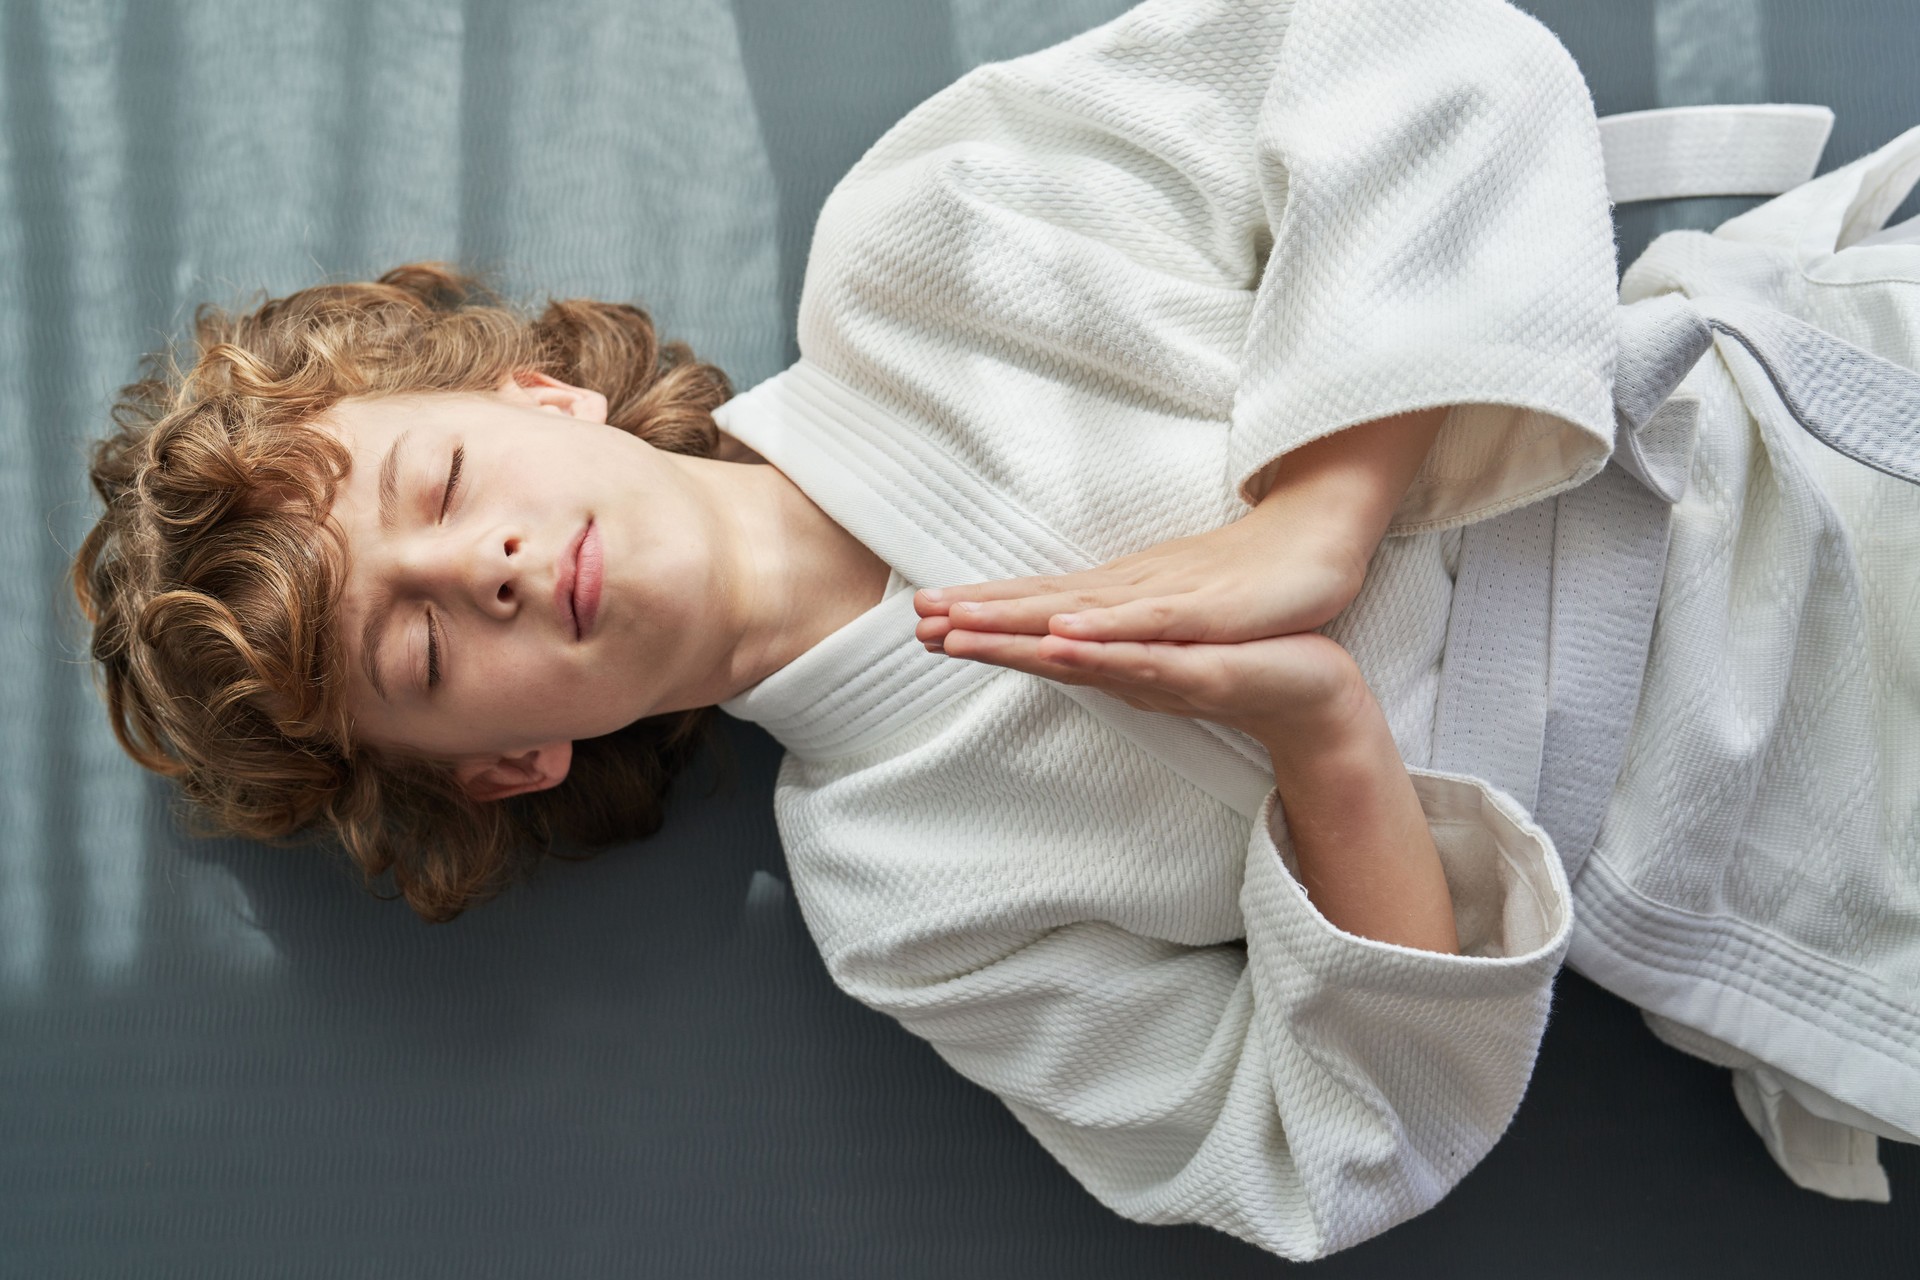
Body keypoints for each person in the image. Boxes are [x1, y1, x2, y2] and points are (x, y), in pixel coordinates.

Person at [68, 0, 1919, 1262]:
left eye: (442, 481)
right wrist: (1325, 740)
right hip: (1807, 884)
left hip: (1817, 450)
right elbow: (1326, 1144)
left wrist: (1321, 514)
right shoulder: (906, 894)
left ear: (543, 400)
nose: (471, 567)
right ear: (504, 762)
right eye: (418, 654)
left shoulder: (931, 235)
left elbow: (1400, 48)